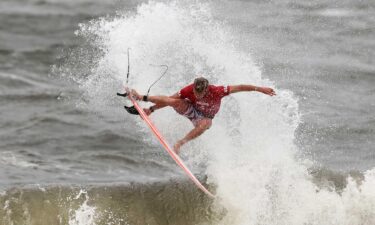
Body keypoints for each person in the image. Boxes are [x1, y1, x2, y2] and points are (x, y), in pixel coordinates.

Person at [130, 77, 276, 154]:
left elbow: (241, 87)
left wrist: (260, 89)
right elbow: (169, 100)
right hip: (190, 110)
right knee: (173, 100)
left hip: (204, 118)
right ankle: (141, 97)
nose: (197, 96)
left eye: (200, 94)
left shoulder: (218, 91)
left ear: (207, 90)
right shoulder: (189, 90)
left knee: (205, 124)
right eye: (195, 93)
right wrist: (152, 109)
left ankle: (180, 143)